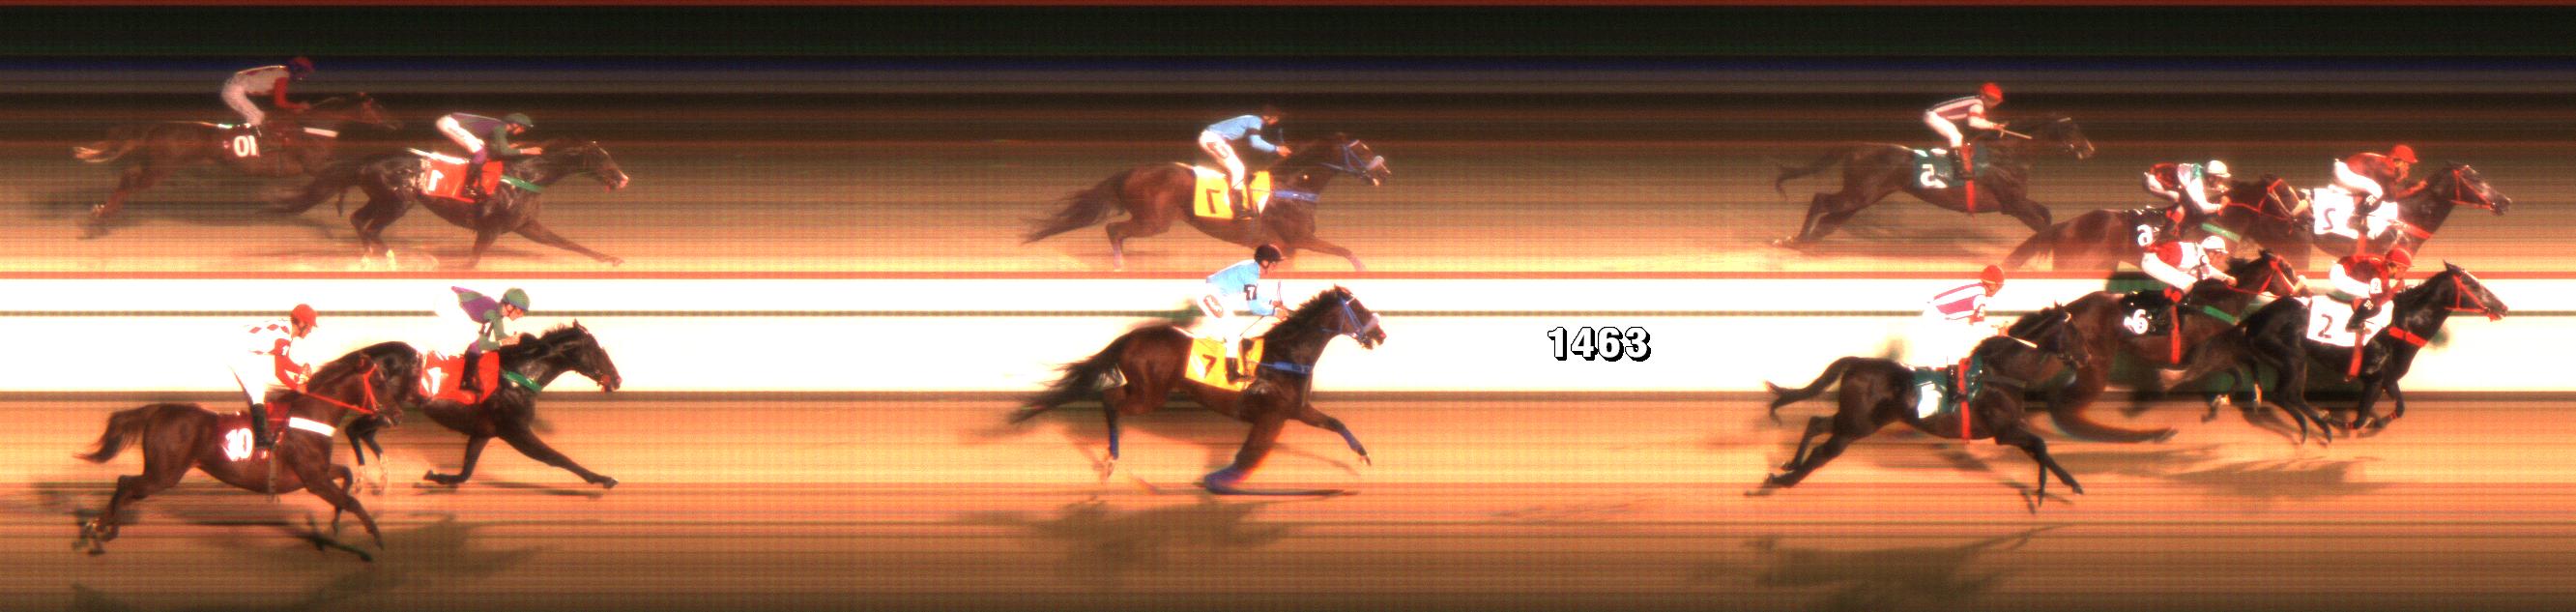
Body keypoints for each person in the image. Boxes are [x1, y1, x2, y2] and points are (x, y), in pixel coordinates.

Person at [1908, 265, 2006, 418]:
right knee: (1957, 348)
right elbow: (1978, 326)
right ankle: (1953, 393)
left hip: (1937, 314)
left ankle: (1952, 389)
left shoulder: (1977, 290)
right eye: (1999, 287)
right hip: (1936, 316)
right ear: (1992, 285)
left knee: (1960, 344)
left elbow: (1972, 322)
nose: (1999, 290)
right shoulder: (1980, 296)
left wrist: (1994, 328)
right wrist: (1997, 332)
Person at [229, 305, 316, 450]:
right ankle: (261, 440)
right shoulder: (283, 338)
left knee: (257, 389)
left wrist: (300, 369)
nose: (310, 330)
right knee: (257, 391)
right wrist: (297, 387)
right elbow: (280, 372)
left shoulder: (285, 331)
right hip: (236, 349)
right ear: (301, 323)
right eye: (309, 326)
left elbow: (283, 362)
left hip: (238, 346)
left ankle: (257, 430)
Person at [1198, 245, 1288, 382]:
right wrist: (1274, 312)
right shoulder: (1250, 274)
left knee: (1234, 332)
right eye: (1274, 264)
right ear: (1265, 262)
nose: (1275, 268)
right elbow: (1254, 306)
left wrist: (1271, 301)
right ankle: (1231, 374)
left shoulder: (1251, 268)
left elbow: (1254, 294)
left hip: (1214, 294)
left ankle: (1234, 369)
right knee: (1233, 333)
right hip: (1209, 295)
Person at [434, 112, 543, 216]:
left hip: (452, 121)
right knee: (480, 154)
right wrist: (527, 150)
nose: (523, 131)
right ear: (514, 124)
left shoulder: (500, 127)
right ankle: (467, 187)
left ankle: (470, 181)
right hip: (449, 123)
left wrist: (506, 147)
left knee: (482, 151)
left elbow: (496, 148)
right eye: (523, 128)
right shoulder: (500, 128)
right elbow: (503, 152)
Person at [2127, 235, 2237, 335]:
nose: (2219, 259)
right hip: (2152, 262)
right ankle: (2158, 315)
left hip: (2151, 258)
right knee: (2187, 285)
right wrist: (2227, 278)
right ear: (2211, 252)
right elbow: (2209, 272)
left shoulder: (2197, 250)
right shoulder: (2202, 258)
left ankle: (2140, 299)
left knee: (2186, 282)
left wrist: (2226, 278)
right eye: (2219, 255)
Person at [1198, 105, 1294, 217]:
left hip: (1215, 139)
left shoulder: (1252, 120)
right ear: (1267, 116)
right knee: (1238, 169)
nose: (1276, 121)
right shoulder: (1255, 120)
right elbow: (1256, 143)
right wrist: (1277, 149)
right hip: (1212, 139)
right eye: (1276, 118)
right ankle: (1237, 208)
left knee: (1236, 168)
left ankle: (1228, 199)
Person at [2330, 145, 2422, 239]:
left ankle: (2357, 213)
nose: (2408, 167)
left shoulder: (2386, 163)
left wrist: (2397, 180)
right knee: (2377, 191)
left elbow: (2386, 184)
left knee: (2374, 188)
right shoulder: (2386, 170)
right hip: (2344, 171)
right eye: (2407, 163)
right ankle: (2354, 219)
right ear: (2398, 161)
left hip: (2344, 165)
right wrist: (2411, 188)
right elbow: (2390, 198)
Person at [451, 286, 529, 397]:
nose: (521, 315)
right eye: (520, 311)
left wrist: (515, 341)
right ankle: (465, 382)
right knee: (474, 340)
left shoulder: (497, 314)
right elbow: (485, 344)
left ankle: (466, 380)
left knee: (475, 344)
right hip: (449, 301)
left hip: (456, 299)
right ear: (510, 306)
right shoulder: (493, 314)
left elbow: (500, 336)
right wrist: (504, 342)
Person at [1923, 82, 2008, 171]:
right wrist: (1993, 125)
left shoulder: (1976, 102)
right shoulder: (1977, 105)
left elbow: (1980, 122)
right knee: (1956, 136)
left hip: (1934, 115)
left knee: (1957, 136)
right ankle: (1958, 168)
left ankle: (1955, 161)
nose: (1994, 103)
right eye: (1993, 100)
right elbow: (1974, 122)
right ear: (1983, 96)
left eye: (1996, 101)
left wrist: (1994, 126)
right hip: (1934, 116)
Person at [220, 57, 314, 135]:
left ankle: (249, 137)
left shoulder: (280, 71)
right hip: (234, 89)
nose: (304, 75)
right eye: (304, 72)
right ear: (297, 69)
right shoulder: (282, 77)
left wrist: (294, 107)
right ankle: (246, 138)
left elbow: (278, 101)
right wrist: (299, 106)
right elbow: (280, 102)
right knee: (256, 117)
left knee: (259, 116)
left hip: (233, 87)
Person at [2329, 248, 2410, 335]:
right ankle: (2353, 324)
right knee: (2375, 307)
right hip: (2340, 276)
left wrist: (2392, 292)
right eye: (2404, 269)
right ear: (2396, 267)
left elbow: (2385, 288)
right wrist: (2395, 289)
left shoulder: (2383, 268)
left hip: (2344, 267)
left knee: (2380, 295)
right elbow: (2376, 301)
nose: (2404, 273)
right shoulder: (2377, 274)